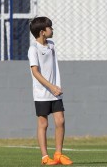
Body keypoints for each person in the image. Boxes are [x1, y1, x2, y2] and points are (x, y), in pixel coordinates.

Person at [28, 17, 73, 165]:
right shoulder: (33, 49)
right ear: (42, 32)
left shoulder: (52, 45)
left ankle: (59, 154)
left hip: (55, 93)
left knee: (60, 121)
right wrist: (51, 86)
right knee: (43, 124)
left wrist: (55, 87)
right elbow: (35, 72)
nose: (52, 30)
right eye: (50, 28)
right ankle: (45, 157)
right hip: (42, 93)